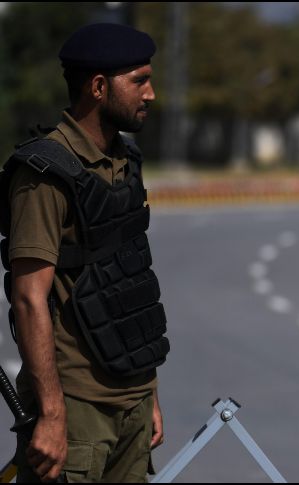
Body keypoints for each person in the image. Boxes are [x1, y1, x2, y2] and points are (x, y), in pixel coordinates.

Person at [0, 23, 170, 482]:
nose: (151, 94)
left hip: (131, 400)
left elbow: (131, 280)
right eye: (139, 81)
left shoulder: (124, 162)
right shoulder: (43, 174)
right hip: (77, 411)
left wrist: (148, 391)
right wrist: (53, 417)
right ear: (98, 87)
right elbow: (29, 298)